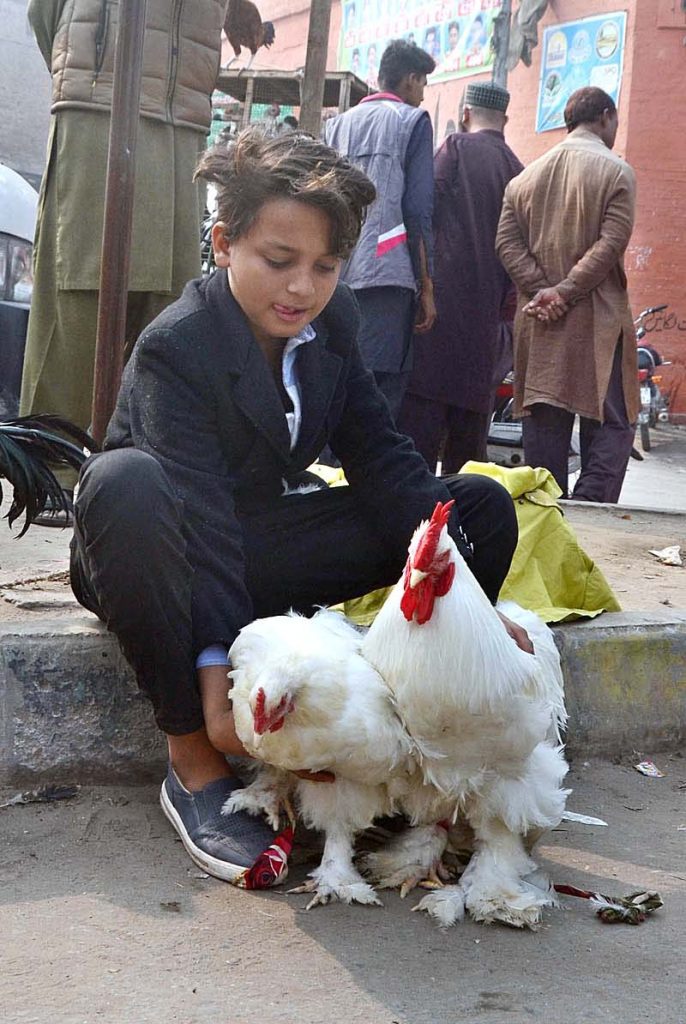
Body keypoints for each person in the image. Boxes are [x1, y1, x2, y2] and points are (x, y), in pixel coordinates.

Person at [69, 129, 524, 883]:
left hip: (259, 546)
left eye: (325, 266)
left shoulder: (334, 324)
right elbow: (204, 519)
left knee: (475, 507)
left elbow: (381, 458)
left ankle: (404, 727)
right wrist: (220, 701)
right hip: (158, 552)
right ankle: (191, 767)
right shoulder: (177, 346)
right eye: (278, 262)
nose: (301, 288)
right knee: (124, 481)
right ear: (223, 243)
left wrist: (469, 602)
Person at [19, 0, 224, 464]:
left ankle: (144, 469)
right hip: (97, 102)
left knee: (170, 304)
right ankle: (52, 466)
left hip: (183, 117)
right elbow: (43, 13)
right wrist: (91, 64)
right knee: (77, 297)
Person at [496, 86, 638, 502]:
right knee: (614, 419)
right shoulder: (616, 171)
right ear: (607, 117)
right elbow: (611, 243)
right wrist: (566, 291)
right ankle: (592, 505)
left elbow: (506, 244)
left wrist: (544, 292)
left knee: (544, 417)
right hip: (599, 318)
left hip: (540, 321)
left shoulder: (525, 178)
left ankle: (547, 509)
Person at [398, 82, 523, 472]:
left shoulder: (454, 148)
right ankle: (464, 525)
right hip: (487, 325)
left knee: (419, 435)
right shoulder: (517, 169)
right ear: (504, 119)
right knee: (468, 450)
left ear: (466, 114)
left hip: (439, 313)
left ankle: (417, 525)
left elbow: (422, 206)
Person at [324, 39, 437, 421]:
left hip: (334, 276)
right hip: (388, 282)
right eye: (422, 84)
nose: (422, 95)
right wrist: (427, 287)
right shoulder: (413, 122)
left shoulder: (336, 126)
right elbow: (418, 211)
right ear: (410, 79)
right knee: (377, 398)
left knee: (334, 386)